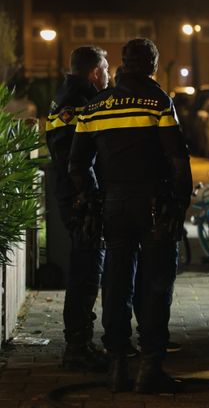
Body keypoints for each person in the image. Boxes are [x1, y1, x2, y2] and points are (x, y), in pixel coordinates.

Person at [69, 38, 192, 393]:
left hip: (114, 207)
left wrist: (93, 200)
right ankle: (150, 367)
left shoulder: (95, 106)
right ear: (153, 66)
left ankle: (118, 366)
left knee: (116, 282)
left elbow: (77, 164)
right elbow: (178, 160)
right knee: (156, 285)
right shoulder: (158, 102)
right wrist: (179, 202)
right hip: (154, 206)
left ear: (123, 64)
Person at [46, 46, 109, 371]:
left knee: (85, 270)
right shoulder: (80, 103)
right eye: (107, 69)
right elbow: (76, 159)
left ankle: (80, 341)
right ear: (95, 71)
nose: (109, 75)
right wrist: (91, 197)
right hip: (80, 200)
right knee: (85, 273)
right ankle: (77, 346)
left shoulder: (67, 95)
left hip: (73, 196)